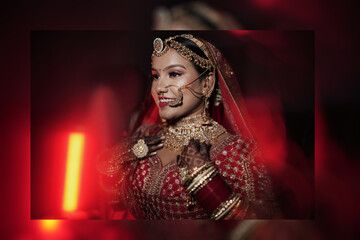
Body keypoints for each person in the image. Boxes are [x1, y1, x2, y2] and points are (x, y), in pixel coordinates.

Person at [97, 33, 279, 219]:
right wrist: (121, 157)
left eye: (174, 74)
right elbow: (114, 201)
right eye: (156, 76)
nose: (159, 87)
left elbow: (262, 228)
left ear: (206, 84)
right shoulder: (146, 135)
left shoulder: (237, 152)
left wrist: (204, 180)